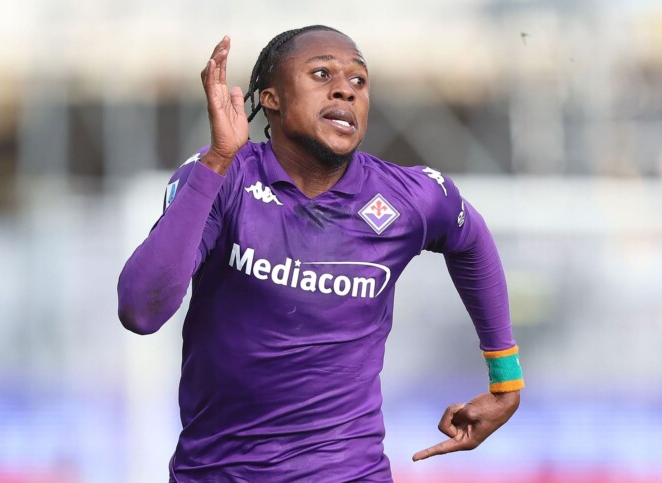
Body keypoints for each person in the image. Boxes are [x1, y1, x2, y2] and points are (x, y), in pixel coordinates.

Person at [117, 25, 524, 482]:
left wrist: (505, 379)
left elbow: (471, 239)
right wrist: (217, 161)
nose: (346, 91)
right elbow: (140, 311)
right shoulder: (223, 178)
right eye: (321, 74)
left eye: (359, 80)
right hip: (218, 472)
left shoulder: (410, 196)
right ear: (271, 98)